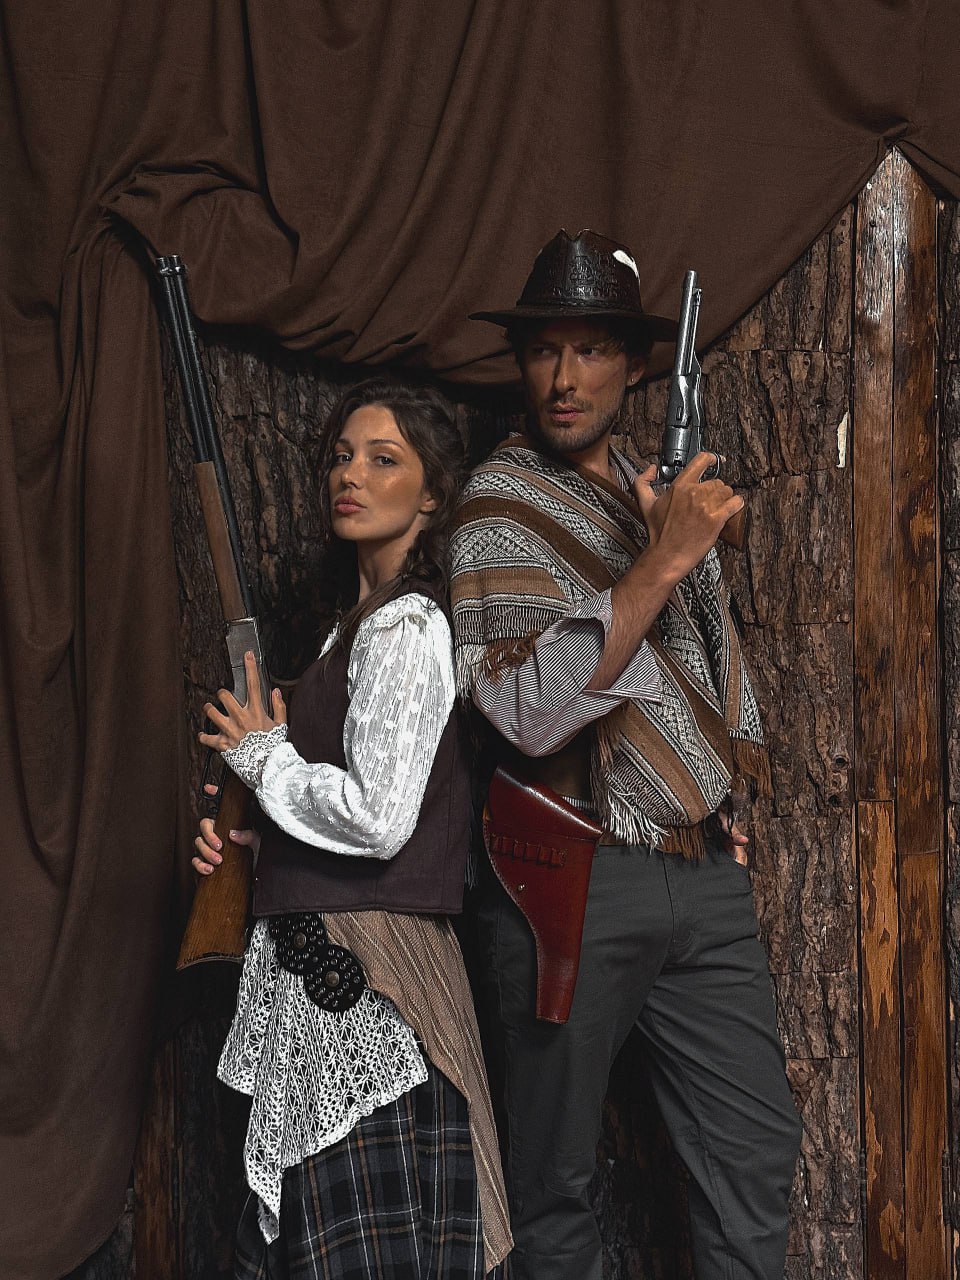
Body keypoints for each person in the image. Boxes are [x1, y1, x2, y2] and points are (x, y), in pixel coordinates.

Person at [450, 230, 802, 1280]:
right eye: (544, 351)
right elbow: (525, 710)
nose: (565, 378)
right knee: (553, 1182)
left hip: (698, 872)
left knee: (754, 1151)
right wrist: (664, 559)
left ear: (636, 365)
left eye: (593, 349)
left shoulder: (657, 496)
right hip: (571, 873)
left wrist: (715, 796)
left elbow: (703, 662)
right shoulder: (495, 507)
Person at [192, 378, 512, 1279]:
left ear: (434, 494)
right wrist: (261, 845)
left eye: (383, 459)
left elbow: (378, 817)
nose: (351, 475)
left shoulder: (407, 625)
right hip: (326, 976)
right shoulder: (351, 632)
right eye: (341, 456)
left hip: (375, 982)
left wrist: (263, 760)